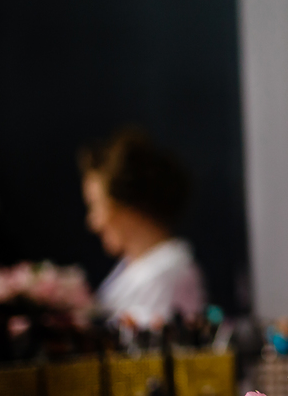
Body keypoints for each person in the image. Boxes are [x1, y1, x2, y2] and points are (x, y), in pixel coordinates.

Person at [79, 130, 204, 328]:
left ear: (129, 208)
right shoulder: (132, 267)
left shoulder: (169, 272)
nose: (93, 223)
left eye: (97, 205)